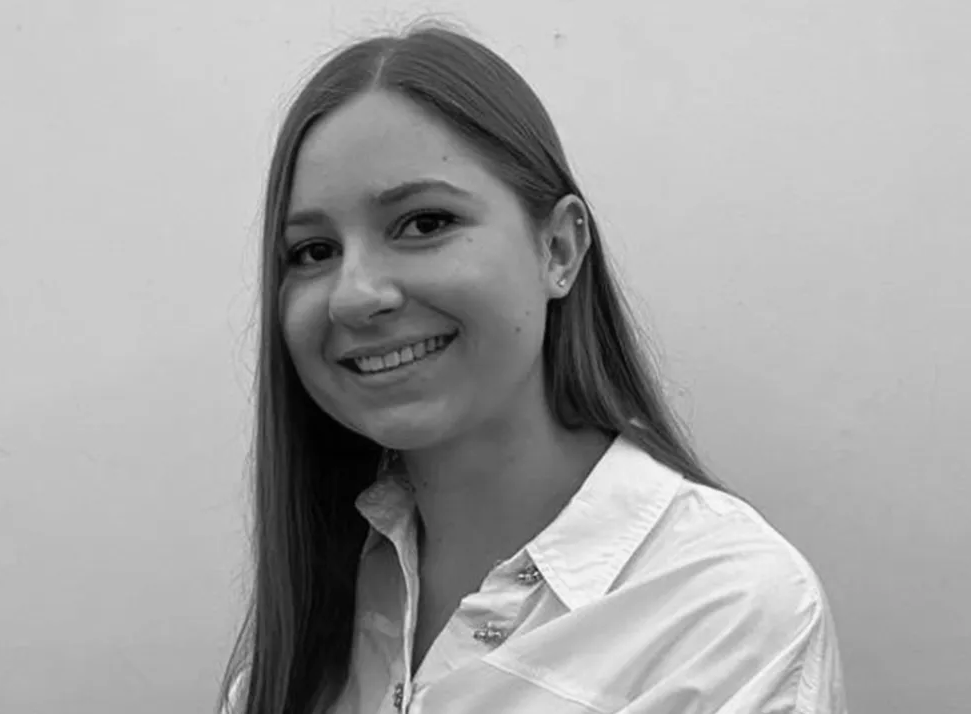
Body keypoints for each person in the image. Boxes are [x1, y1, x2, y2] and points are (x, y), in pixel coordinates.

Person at [218, 23, 847, 714]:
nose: (356, 295)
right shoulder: (318, 603)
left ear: (559, 250)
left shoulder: (723, 611)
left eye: (424, 223)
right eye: (313, 251)